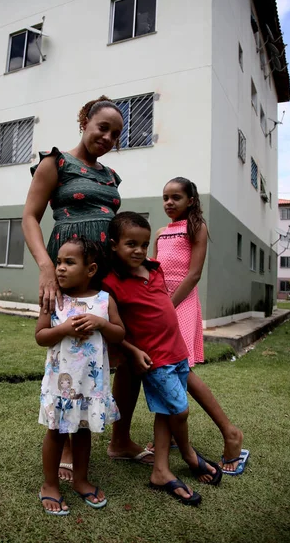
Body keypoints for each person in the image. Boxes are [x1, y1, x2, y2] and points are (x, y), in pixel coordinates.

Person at [22, 95, 153, 482]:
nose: (109, 137)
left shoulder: (111, 176)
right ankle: (64, 442)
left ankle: (120, 439)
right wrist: (47, 268)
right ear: (85, 121)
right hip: (70, 273)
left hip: (110, 276)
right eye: (103, 128)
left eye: (116, 133)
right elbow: (29, 216)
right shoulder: (55, 162)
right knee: (71, 352)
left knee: (125, 353)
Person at [103, 212, 222, 505]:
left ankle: (160, 470)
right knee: (179, 411)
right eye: (131, 244)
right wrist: (132, 351)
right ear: (114, 245)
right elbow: (116, 330)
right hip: (155, 360)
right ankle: (190, 456)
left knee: (166, 412)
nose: (140, 250)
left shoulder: (154, 269)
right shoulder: (111, 284)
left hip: (177, 352)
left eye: (144, 244)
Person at [147, 177, 246, 475]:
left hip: (182, 304)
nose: (169, 202)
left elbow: (193, 275)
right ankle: (169, 438)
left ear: (191, 200)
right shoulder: (161, 233)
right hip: (161, 306)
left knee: (181, 370)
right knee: (169, 370)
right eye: (165, 197)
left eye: (176, 197)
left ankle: (230, 431)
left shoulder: (197, 228)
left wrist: (167, 307)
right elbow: (154, 272)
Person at [36, 237, 125, 515]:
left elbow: (119, 333)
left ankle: (80, 479)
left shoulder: (103, 300)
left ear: (91, 269)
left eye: (69, 262)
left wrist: (101, 323)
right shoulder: (54, 299)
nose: (60, 268)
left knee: (83, 433)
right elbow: (40, 336)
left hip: (90, 386)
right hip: (60, 386)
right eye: (58, 262)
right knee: (56, 433)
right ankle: (50, 484)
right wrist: (63, 329)